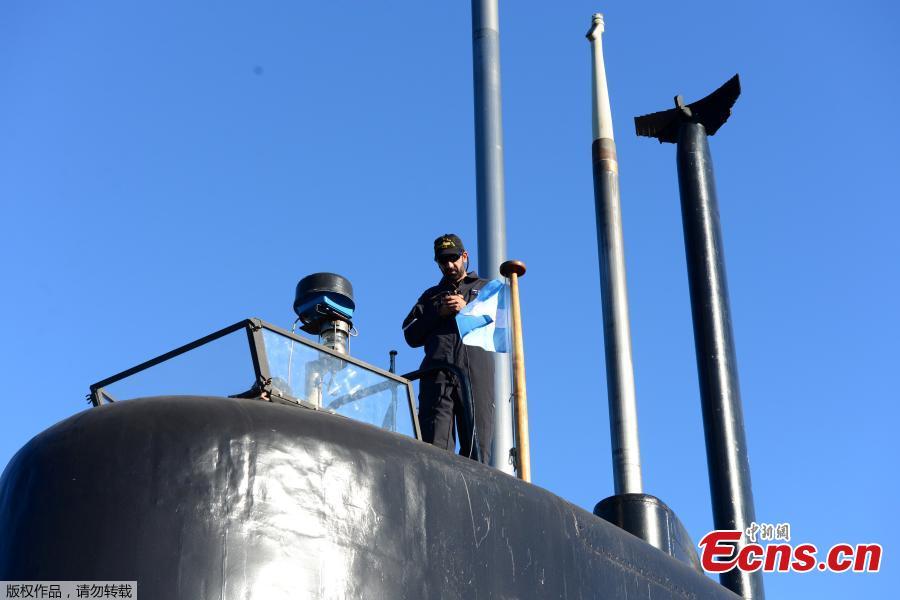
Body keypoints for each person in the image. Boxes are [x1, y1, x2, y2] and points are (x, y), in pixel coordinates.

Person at [402, 234, 494, 463]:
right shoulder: (431, 296)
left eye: (453, 258)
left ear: (465, 256)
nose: (449, 265)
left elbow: (503, 325)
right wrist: (437, 314)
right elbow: (410, 335)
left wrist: (467, 309)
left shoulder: (487, 289)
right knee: (433, 449)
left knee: (477, 449)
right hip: (437, 375)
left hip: (476, 377)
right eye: (443, 261)